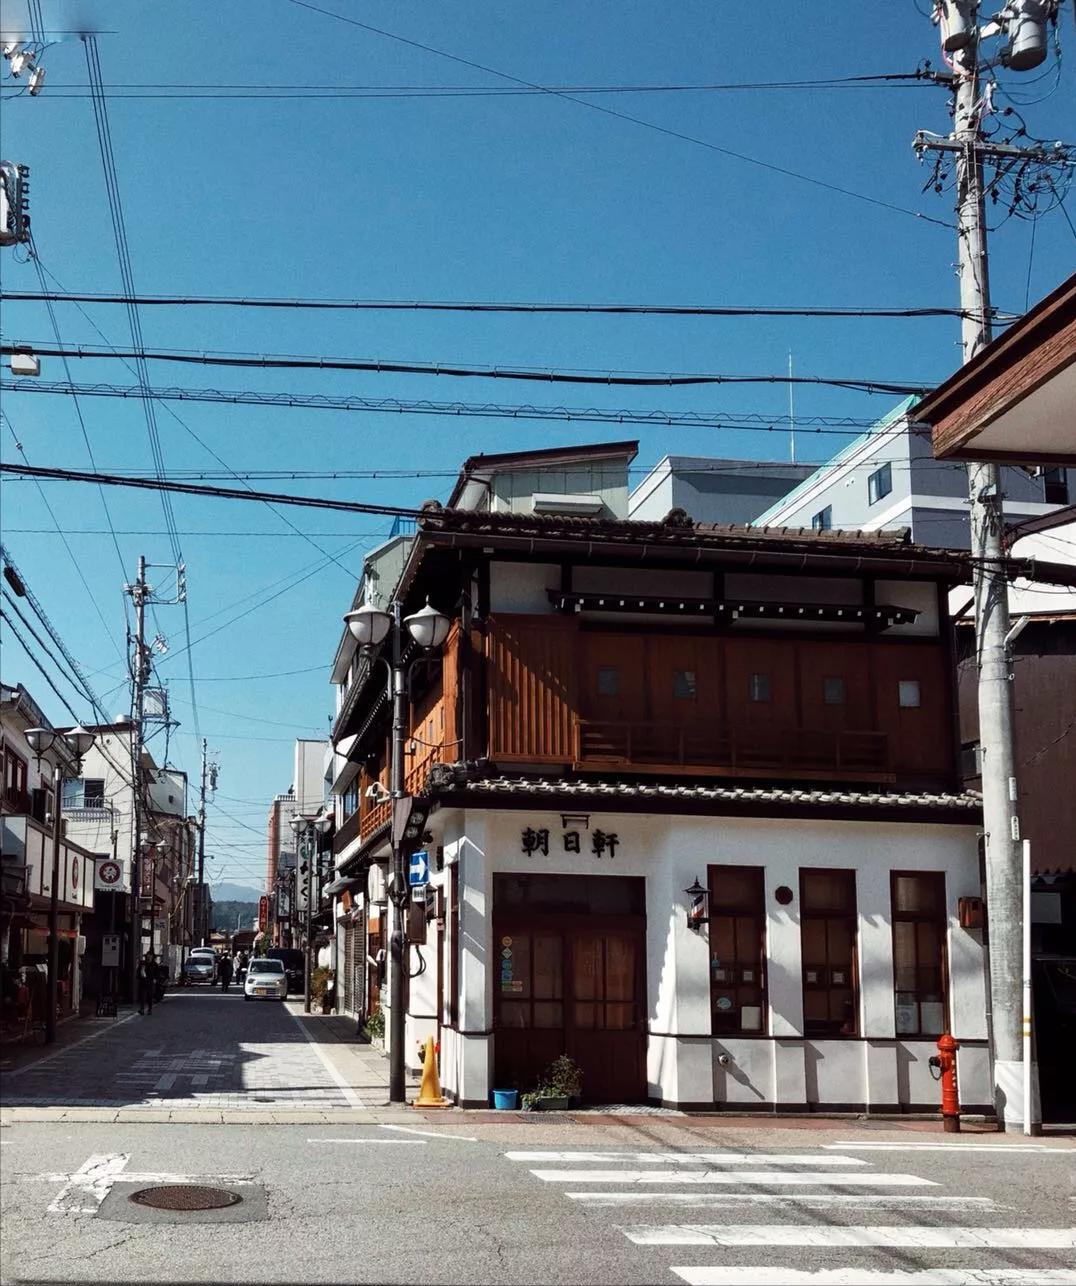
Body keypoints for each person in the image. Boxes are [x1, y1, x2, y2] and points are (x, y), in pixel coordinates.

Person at [137, 951, 157, 1016]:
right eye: (148, 955)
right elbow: (138, 972)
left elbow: (156, 973)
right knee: (143, 996)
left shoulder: (154, 964)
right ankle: (142, 1009)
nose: (149, 956)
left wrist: (155, 979)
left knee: (149, 997)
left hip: (150, 982)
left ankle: (150, 1009)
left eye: (150, 955)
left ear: (152, 957)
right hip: (143, 982)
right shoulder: (143, 963)